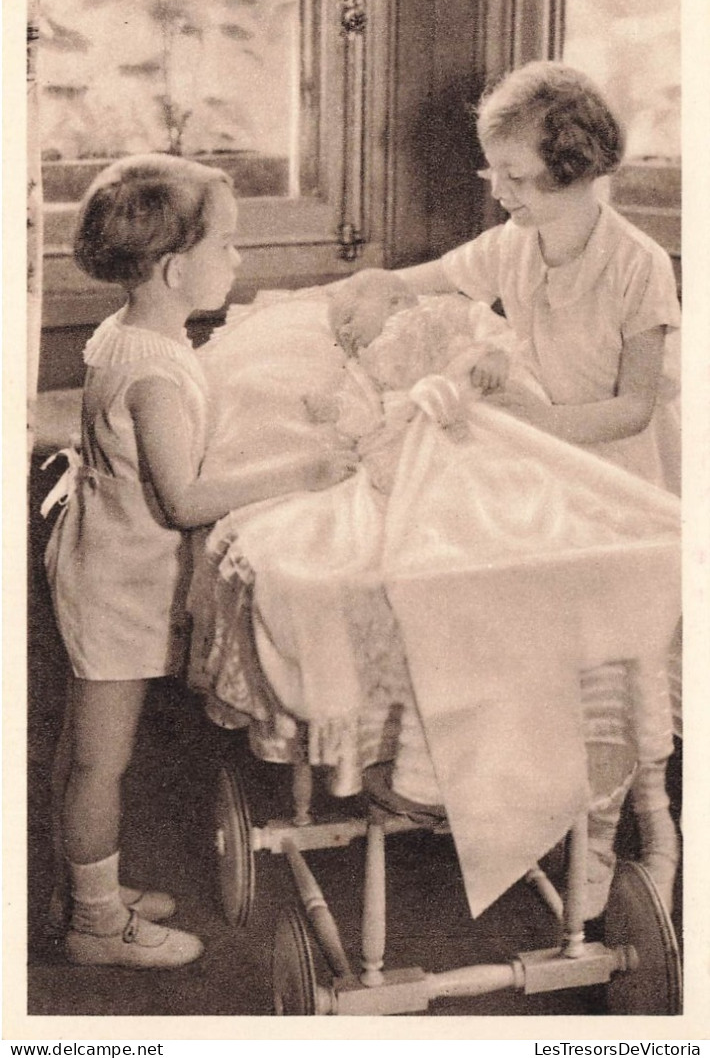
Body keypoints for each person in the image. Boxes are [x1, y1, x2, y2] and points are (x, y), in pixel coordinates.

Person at [332, 60, 681, 913]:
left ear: (579, 171)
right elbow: (430, 279)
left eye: (519, 180)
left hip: (614, 480)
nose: (502, 196)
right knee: (520, 629)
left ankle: (613, 834)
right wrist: (375, 284)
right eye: (497, 175)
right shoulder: (515, 245)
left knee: (603, 659)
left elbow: (633, 410)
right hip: (543, 470)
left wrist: (524, 418)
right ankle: (516, 793)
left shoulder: (639, 267)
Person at [42, 153, 357, 968]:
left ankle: (81, 887)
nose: (237, 260)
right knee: (95, 763)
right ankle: (93, 924)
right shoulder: (150, 370)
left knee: (85, 752)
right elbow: (182, 499)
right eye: (228, 245)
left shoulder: (139, 334)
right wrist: (301, 468)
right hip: (116, 585)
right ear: (178, 268)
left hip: (105, 563)